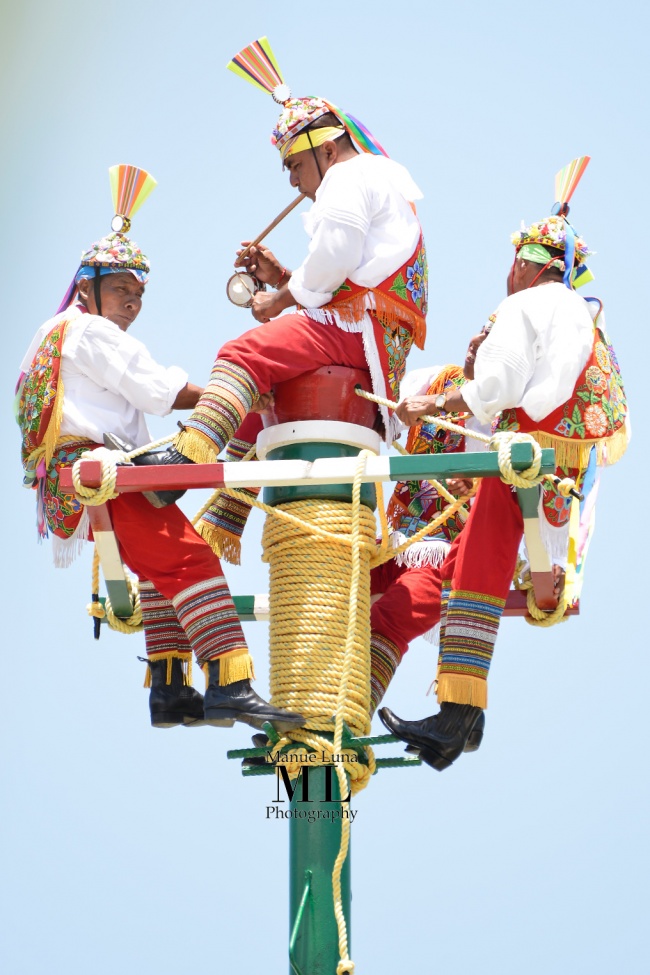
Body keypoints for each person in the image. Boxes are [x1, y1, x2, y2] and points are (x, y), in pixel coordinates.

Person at [16, 164, 303, 734]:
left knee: (161, 575)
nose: (132, 303)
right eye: (121, 288)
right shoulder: (90, 332)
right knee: (192, 561)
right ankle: (231, 686)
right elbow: (159, 390)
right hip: (99, 473)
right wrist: (239, 388)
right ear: (88, 289)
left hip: (80, 479)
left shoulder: (47, 336)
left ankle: (170, 693)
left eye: (139, 293)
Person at [379, 172, 629, 771]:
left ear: (524, 265)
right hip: (553, 473)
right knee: (461, 569)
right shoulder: (580, 310)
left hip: (523, 462)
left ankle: (459, 711)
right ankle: (462, 722)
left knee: (475, 568)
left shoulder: (528, 302)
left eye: (512, 262)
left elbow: (497, 385)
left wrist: (436, 404)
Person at [139, 37, 428, 508]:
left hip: (358, 330)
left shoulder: (349, 177)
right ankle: (225, 515)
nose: (294, 180)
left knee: (242, 353)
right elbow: (343, 274)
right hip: (370, 335)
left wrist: (279, 299)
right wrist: (284, 280)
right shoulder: (376, 177)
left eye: (295, 164)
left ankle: (184, 462)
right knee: (264, 390)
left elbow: (334, 255)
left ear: (328, 152)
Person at [368, 322, 493, 718]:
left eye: (492, 340)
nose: (475, 342)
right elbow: (377, 417)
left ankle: (348, 714)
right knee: (325, 592)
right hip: (391, 543)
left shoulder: (509, 418)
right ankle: (303, 710)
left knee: (390, 617)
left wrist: (477, 488)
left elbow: (523, 489)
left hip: (449, 554)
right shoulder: (431, 380)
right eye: (478, 332)